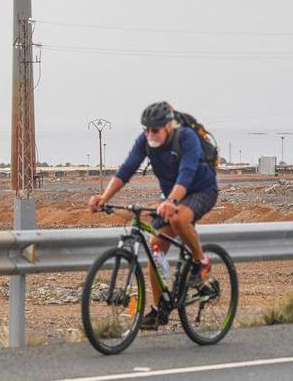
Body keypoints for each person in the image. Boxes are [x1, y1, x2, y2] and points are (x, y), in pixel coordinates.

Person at [88, 101, 219, 329]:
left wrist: (171, 201)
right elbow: (126, 170)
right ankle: (160, 310)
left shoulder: (185, 137)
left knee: (179, 218)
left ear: (168, 126)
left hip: (201, 190)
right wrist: (104, 198)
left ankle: (201, 261)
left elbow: (186, 174)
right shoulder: (145, 142)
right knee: (155, 247)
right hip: (172, 196)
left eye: (155, 130)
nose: (150, 134)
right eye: (146, 129)